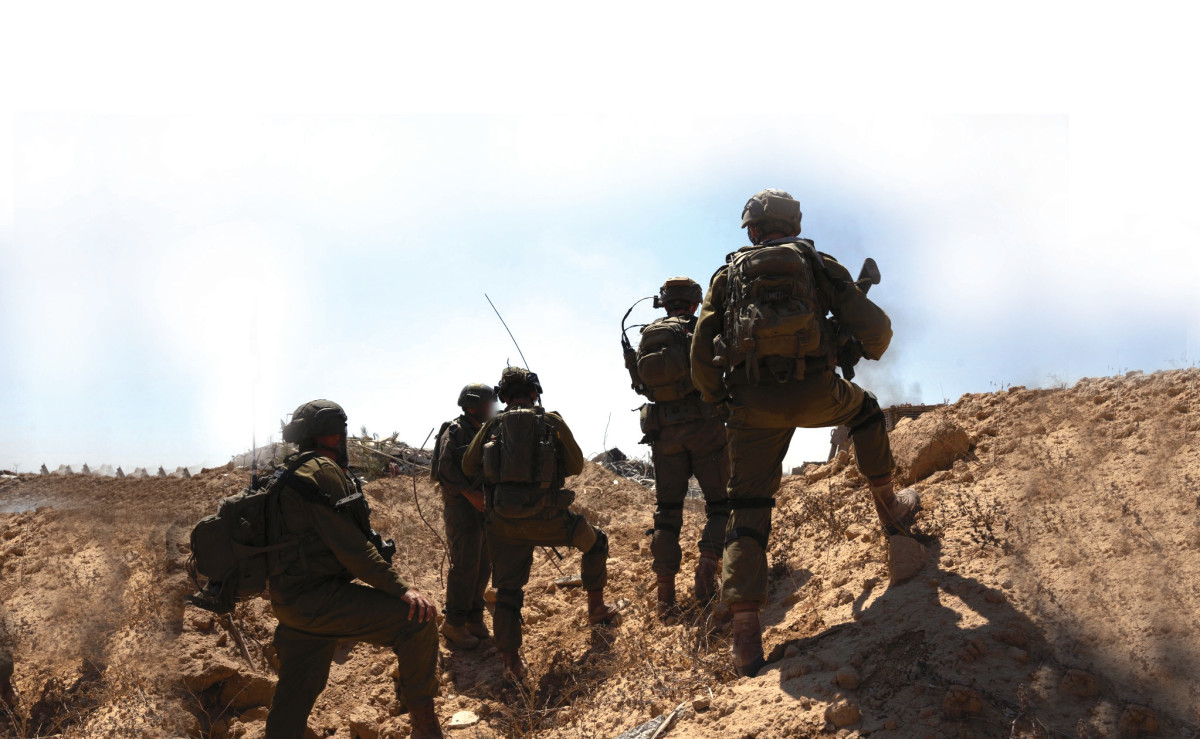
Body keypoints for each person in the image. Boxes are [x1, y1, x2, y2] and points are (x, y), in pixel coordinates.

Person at [691, 189, 919, 677]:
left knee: (747, 509)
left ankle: (746, 641)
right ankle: (891, 512)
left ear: (753, 229)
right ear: (793, 225)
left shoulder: (727, 276)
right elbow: (878, 330)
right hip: (817, 391)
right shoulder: (816, 262)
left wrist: (722, 400)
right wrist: (858, 349)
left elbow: (700, 355)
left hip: (750, 405)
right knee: (866, 412)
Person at [264, 400, 443, 739]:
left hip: (289, 603)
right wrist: (402, 589)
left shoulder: (286, 473)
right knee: (417, 622)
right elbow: (354, 550)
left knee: (294, 697)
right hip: (320, 600)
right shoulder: (321, 471)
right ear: (334, 434)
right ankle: (425, 727)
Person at [461, 367, 619, 680]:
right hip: (550, 519)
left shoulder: (492, 425)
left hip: (504, 524)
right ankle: (597, 610)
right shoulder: (551, 421)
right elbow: (576, 465)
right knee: (596, 543)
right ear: (535, 393)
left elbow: (468, 465)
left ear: (504, 397)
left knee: (507, 591)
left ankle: (511, 663)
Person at [623, 277, 731, 614]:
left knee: (667, 512)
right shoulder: (702, 328)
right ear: (695, 302)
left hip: (664, 432)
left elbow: (639, 384)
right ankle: (707, 568)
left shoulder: (648, 335)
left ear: (664, 302)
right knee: (720, 504)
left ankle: (665, 598)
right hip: (705, 427)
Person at [432, 383, 497, 649]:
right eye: (487, 404)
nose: (491, 408)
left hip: (482, 508)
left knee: (483, 564)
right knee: (465, 566)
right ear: (473, 406)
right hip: (461, 508)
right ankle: (454, 624)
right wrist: (469, 494)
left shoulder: (484, 431)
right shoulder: (455, 431)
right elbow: (444, 469)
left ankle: (474, 618)